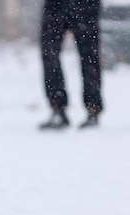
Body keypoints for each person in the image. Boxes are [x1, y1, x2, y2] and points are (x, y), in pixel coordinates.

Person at [39, 0, 103, 129]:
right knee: (49, 53)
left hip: (86, 5)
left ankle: (93, 108)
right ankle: (58, 108)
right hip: (55, 5)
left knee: (89, 56)